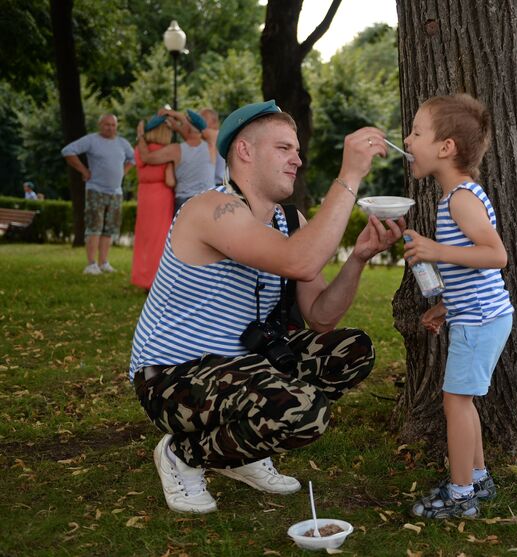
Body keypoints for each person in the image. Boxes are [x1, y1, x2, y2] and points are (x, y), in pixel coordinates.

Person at [128, 100, 404, 514]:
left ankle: (242, 451)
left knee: (351, 351)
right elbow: (299, 262)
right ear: (245, 151)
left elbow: (323, 317)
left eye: (296, 150)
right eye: (283, 149)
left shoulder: (290, 222)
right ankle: (181, 455)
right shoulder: (210, 208)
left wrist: (359, 257)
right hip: (172, 378)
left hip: (243, 367)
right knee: (302, 410)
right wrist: (350, 174)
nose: (297, 159)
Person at [402, 94, 513, 519]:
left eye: (416, 132)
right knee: (463, 402)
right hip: (476, 315)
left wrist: (435, 250)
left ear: (446, 147)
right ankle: (478, 479)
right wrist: (444, 307)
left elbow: (495, 256)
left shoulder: (462, 199)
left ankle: (461, 493)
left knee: (456, 403)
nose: (408, 140)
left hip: (482, 320)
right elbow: (473, 274)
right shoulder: (457, 197)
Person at [62, 114, 135, 275]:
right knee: (94, 227)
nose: (110, 128)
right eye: (107, 124)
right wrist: (83, 170)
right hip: (96, 190)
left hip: (116, 192)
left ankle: (103, 262)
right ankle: (91, 264)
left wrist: (123, 172)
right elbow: (68, 151)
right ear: (100, 125)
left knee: (109, 229)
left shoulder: (122, 143)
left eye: (113, 125)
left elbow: (133, 158)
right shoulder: (91, 140)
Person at [136, 108, 216, 214]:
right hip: (208, 200)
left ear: (187, 129)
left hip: (185, 202)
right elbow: (199, 131)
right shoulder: (211, 145)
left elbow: (146, 157)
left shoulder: (176, 150)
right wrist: (177, 116)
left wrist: (140, 135)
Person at [131, 114, 176, 290]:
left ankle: (142, 278)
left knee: (144, 238)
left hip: (144, 194)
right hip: (161, 195)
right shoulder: (164, 151)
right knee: (160, 237)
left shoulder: (140, 149)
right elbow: (170, 181)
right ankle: (156, 280)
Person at [200, 107, 227, 186]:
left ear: (214, 121)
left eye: (203, 119)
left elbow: (197, 131)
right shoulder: (217, 135)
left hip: (220, 185)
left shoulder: (216, 134)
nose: (200, 122)